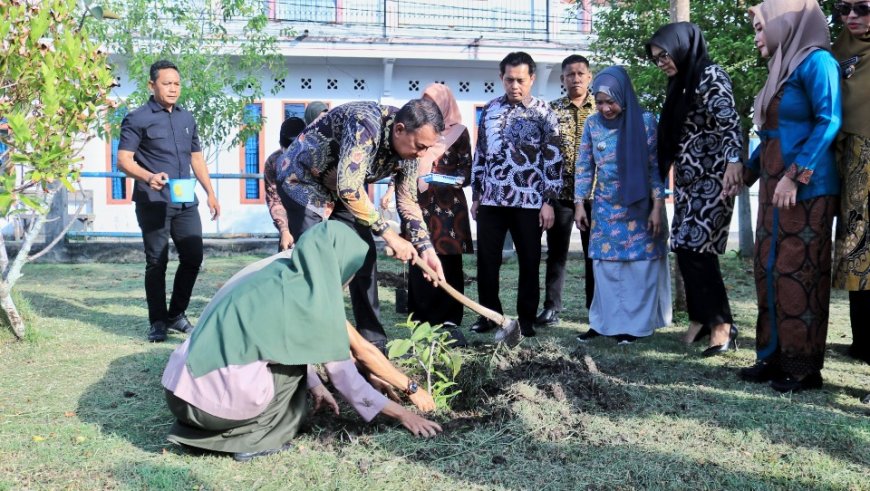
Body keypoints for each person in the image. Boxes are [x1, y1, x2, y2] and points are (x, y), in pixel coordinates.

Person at [162, 222, 442, 462]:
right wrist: (404, 414)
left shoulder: (275, 273)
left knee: (292, 370)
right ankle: (256, 441)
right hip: (210, 406)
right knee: (292, 383)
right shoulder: (311, 301)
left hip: (179, 393)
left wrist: (317, 384)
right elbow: (346, 379)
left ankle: (209, 430)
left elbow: (274, 343)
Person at [725, 0, 841, 392]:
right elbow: (773, 135)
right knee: (769, 269)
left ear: (784, 23)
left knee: (798, 274)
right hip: (776, 187)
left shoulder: (818, 63)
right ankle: (771, 357)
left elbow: (830, 121)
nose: (757, 36)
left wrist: (796, 175)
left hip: (807, 191)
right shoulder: (782, 67)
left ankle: (803, 368)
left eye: (761, 28)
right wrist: (749, 170)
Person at [276, 99, 446, 351]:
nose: (421, 154)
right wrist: (390, 235)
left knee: (363, 254)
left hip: (341, 189)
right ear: (399, 129)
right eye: (420, 147)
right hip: (302, 180)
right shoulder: (365, 123)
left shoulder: (410, 149)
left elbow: (408, 200)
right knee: (317, 260)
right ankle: (307, 340)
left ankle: (373, 341)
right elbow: (349, 187)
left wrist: (426, 249)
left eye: (426, 149)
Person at [645, 22, 741, 356]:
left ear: (682, 46)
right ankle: (702, 318)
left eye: (665, 55)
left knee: (699, 251)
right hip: (688, 184)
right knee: (685, 247)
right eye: (657, 59)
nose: (662, 63)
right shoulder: (681, 83)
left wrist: (733, 162)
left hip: (715, 180)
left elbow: (730, 122)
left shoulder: (709, 75)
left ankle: (722, 325)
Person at [117, 60, 220, 343]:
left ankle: (177, 314)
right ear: (152, 85)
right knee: (157, 262)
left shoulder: (187, 118)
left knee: (193, 256)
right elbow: (123, 160)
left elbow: (196, 158)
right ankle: (158, 321)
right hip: (153, 201)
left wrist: (210, 192)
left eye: (177, 83)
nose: (173, 89)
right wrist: (148, 176)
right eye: (167, 83)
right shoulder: (137, 118)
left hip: (186, 200)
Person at [573, 66, 672, 345]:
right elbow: (584, 166)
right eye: (600, 102)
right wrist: (580, 203)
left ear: (624, 96)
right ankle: (602, 324)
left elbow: (655, 168)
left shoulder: (644, 122)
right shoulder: (592, 124)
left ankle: (635, 327)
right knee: (606, 269)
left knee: (638, 269)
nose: (605, 108)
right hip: (605, 208)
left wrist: (656, 207)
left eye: (611, 101)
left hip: (640, 208)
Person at [470, 51, 562, 338]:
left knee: (529, 261)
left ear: (532, 79)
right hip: (492, 200)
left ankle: (526, 319)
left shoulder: (543, 113)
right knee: (487, 260)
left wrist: (548, 201)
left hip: (529, 201)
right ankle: (489, 316)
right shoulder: (490, 108)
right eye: (509, 80)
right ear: (501, 78)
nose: (514, 86)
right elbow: (481, 153)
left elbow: (554, 158)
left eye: (520, 80)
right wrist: (476, 195)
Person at [380, 84, 474, 336]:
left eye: (433, 101)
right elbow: (402, 165)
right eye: (425, 101)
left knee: (448, 261)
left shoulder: (460, 133)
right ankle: (421, 315)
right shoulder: (416, 130)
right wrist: (391, 190)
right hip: (417, 204)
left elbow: (467, 172)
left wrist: (440, 179)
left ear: (445, 104)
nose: (430, 106)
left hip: (448, 207)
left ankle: (449, 316)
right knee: (418, 257)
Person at [537, 54, 596, 327]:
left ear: (589, 76)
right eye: (570, 74)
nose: (576, 79)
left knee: (594, 254)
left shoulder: (602, 107)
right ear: (562, 79)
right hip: (560, 194)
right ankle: (551, 308)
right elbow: (543, 154)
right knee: (556, 253)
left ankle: (596, 309)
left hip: (594, 194)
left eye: (581, 73)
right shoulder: (551, 110)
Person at [832, 0, 870, 366]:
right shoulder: (839, 50)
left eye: (864, 7)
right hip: (849, 165)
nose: (852, 16)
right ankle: (863, 343)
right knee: (857, 255)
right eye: (844, 8)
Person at [264, 117, 307, 251]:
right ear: (280, 145)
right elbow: (274, 199)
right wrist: (284, 230)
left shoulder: (317, 160)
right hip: (289, 226)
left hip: (319, 225)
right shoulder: (273, 162)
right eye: (287, 151)